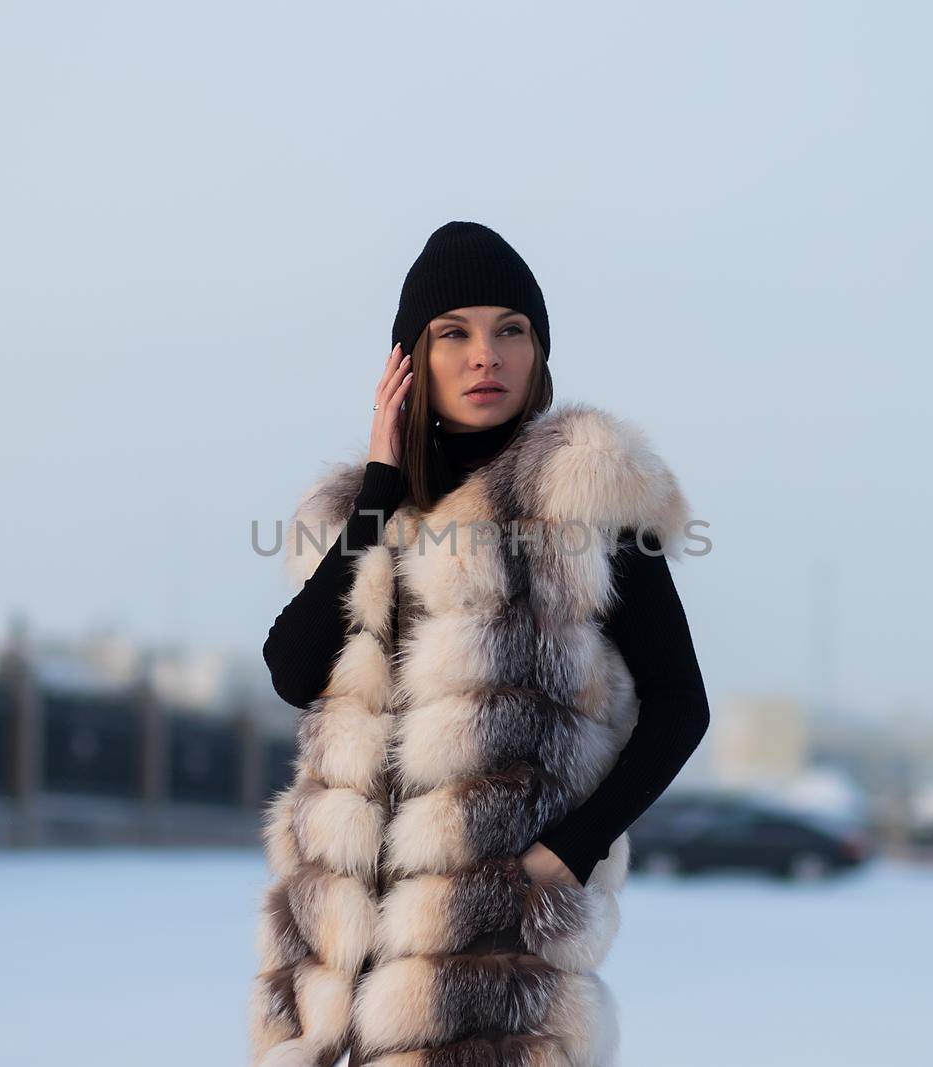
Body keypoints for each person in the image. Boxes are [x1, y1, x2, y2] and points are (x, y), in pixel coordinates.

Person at [250, 221, 710, 1066]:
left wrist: (566, 852)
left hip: (495, 962)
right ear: (410, 362)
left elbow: (682, 705)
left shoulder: (587, 497)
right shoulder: (359, 512)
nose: (484, 355)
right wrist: (381, 490)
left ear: (538, 351)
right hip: (334, 960)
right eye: (452, 333)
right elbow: (292, 669)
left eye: (510, 330)